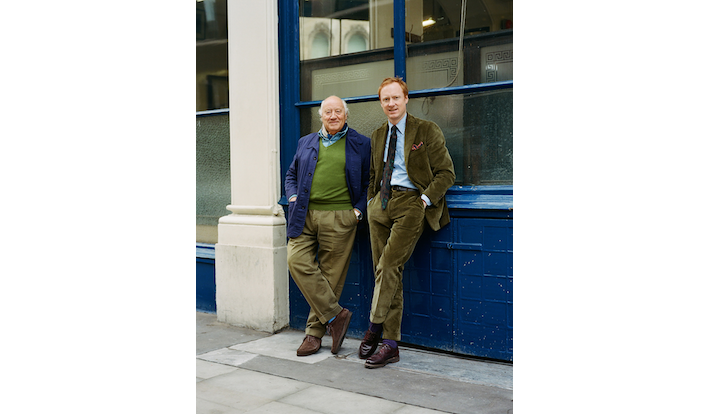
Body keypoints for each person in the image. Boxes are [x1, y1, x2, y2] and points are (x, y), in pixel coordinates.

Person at [359, 77, 455, 368]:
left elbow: (446, 173)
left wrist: (423, 201)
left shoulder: (426, 130)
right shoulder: (378, 135)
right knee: (386, 272)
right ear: (381, 103)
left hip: (411, 203)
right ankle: (390, 344)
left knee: (388, 266)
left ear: (406, 99)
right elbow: (374, 174)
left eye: (395, 98)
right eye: (385, 99)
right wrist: (372, 201)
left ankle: (374, 327)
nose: (391, 104)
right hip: (380, 205)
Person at [285, 95, 371, 357]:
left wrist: (358, 211)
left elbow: (370, 181)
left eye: (338, 112)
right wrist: (292, 196)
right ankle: (336, 315)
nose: (333, 116)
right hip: (304, 213)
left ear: (345, 115)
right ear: (321, 116)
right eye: (328, 112)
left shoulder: (361, 143)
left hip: (340, 217)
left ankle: (313, 334)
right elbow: (291, 174)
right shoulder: (306, 141)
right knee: (295, 260)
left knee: (331, 275)